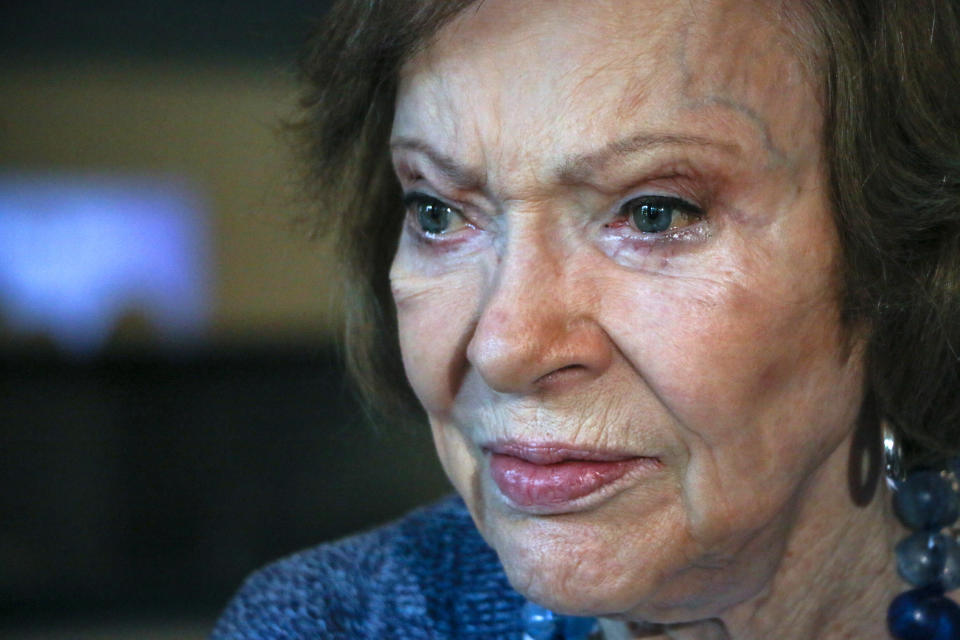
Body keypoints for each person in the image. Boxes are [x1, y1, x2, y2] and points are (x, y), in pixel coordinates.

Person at [211, 1, 960, 638]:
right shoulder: (333, 621)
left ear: (900, 256)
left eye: (654, 212)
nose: (504, 345)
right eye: (438, 212)